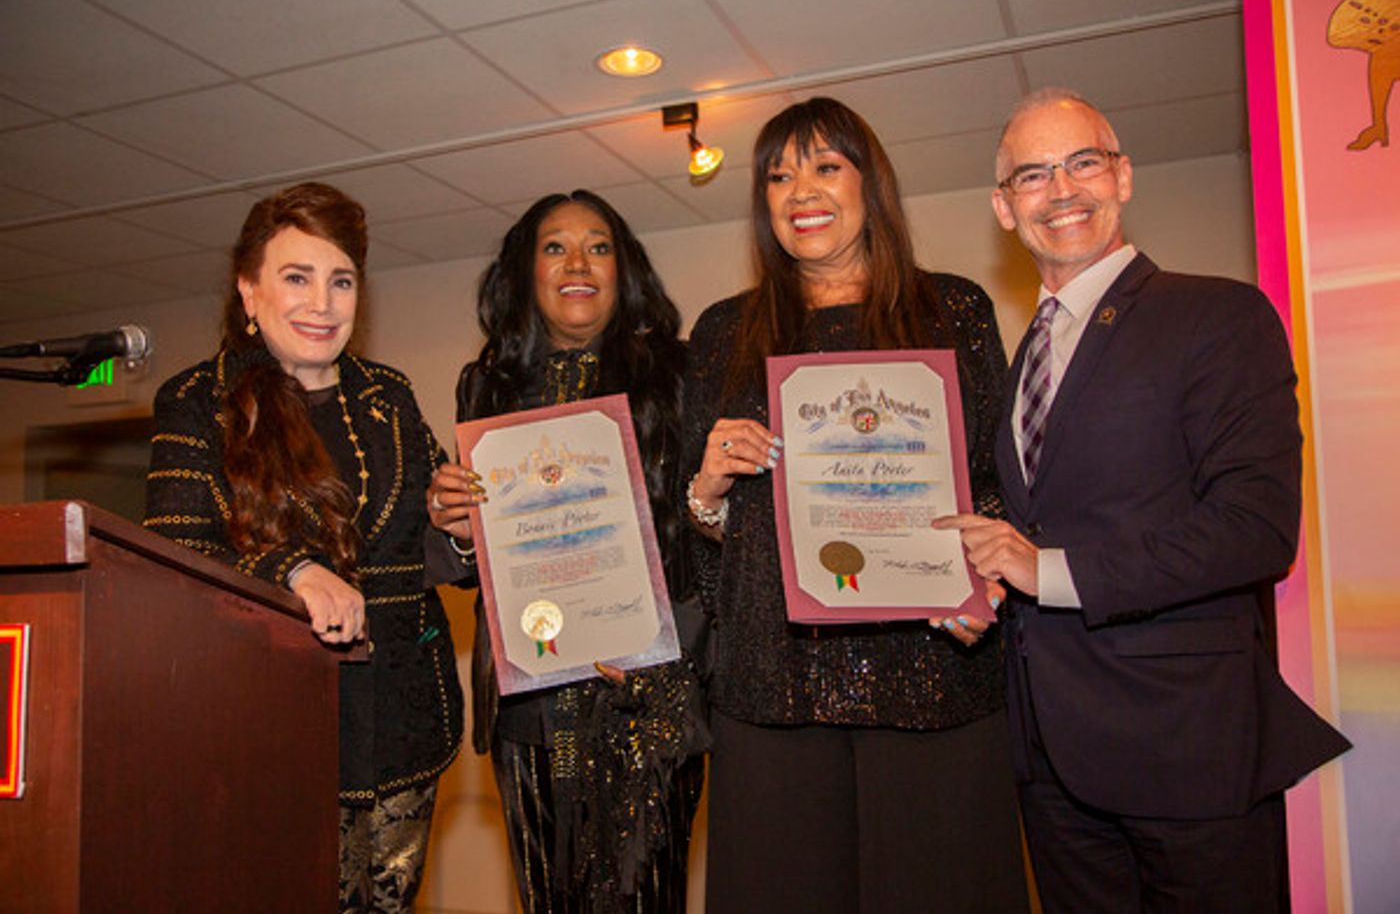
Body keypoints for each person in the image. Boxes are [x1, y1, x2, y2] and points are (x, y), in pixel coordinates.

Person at [936, 88, 1351, 913]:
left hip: (1183, 744)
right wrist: (982, 587)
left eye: (1083, 162)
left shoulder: (1219, 315)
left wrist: (1044, 569)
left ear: (1123, 177)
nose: (1061, 190)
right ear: (1003, 207)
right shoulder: (1023, 359)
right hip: (1050, 756)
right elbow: (1049, 520)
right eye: (1032, 175)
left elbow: (1256, 528)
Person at [682, 96, 1029, 912]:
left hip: (934, 675)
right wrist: (706, 489)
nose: (800, 190)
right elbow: (708, 540)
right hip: (770, 686)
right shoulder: (722, 332)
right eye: (778, 174)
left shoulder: (955, 310)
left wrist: (982, 585)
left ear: (869, 183)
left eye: (825, 166)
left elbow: (992, 487)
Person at [143, 182, 464, 912]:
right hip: (269, 734)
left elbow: (426, 547)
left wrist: (463, 534)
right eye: (297, 277)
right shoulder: (194, 402)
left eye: (341, 279)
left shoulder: (391, 394)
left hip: (402, 729)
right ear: (248, 291)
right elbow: (172, 560)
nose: (322, 302)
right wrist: (291, 568)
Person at [426, 190, 707, 913]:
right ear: (526, 270)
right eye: (555, 246)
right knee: (547, 896)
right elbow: (472, 564)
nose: (578, 263)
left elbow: (711, 537)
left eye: (599, 246)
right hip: (534, 701)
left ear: (625, 270)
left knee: (648, 895)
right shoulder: (485, 384)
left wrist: (647, 636)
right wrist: (457, 528)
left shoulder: (679, 374)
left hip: (649, 695)